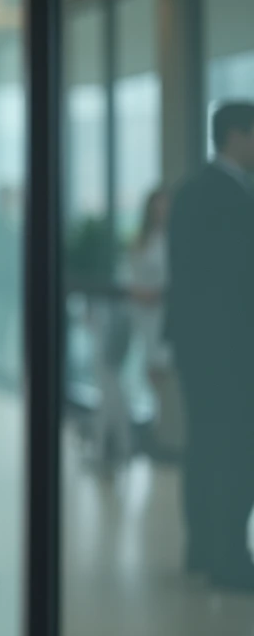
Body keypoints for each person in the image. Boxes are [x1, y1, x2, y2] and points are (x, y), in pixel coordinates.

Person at [166, 101, 254, 592]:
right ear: (237, 136)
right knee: (233, 448)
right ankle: (228, 556)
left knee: (206, 446)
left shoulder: (192, 190)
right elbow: (231, 279)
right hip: (228, 349)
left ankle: (203, 547)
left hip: (201, 346)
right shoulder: (223, 194)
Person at [124, 187, 181, 460]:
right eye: (158, 205)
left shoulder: (176, 237)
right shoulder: (142, 238)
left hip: (164, 313)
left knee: (162, 371)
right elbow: (132, 273)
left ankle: (161, 431)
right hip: (144, 314)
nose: (162, 211)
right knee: (150, 370)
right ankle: (157, 431)